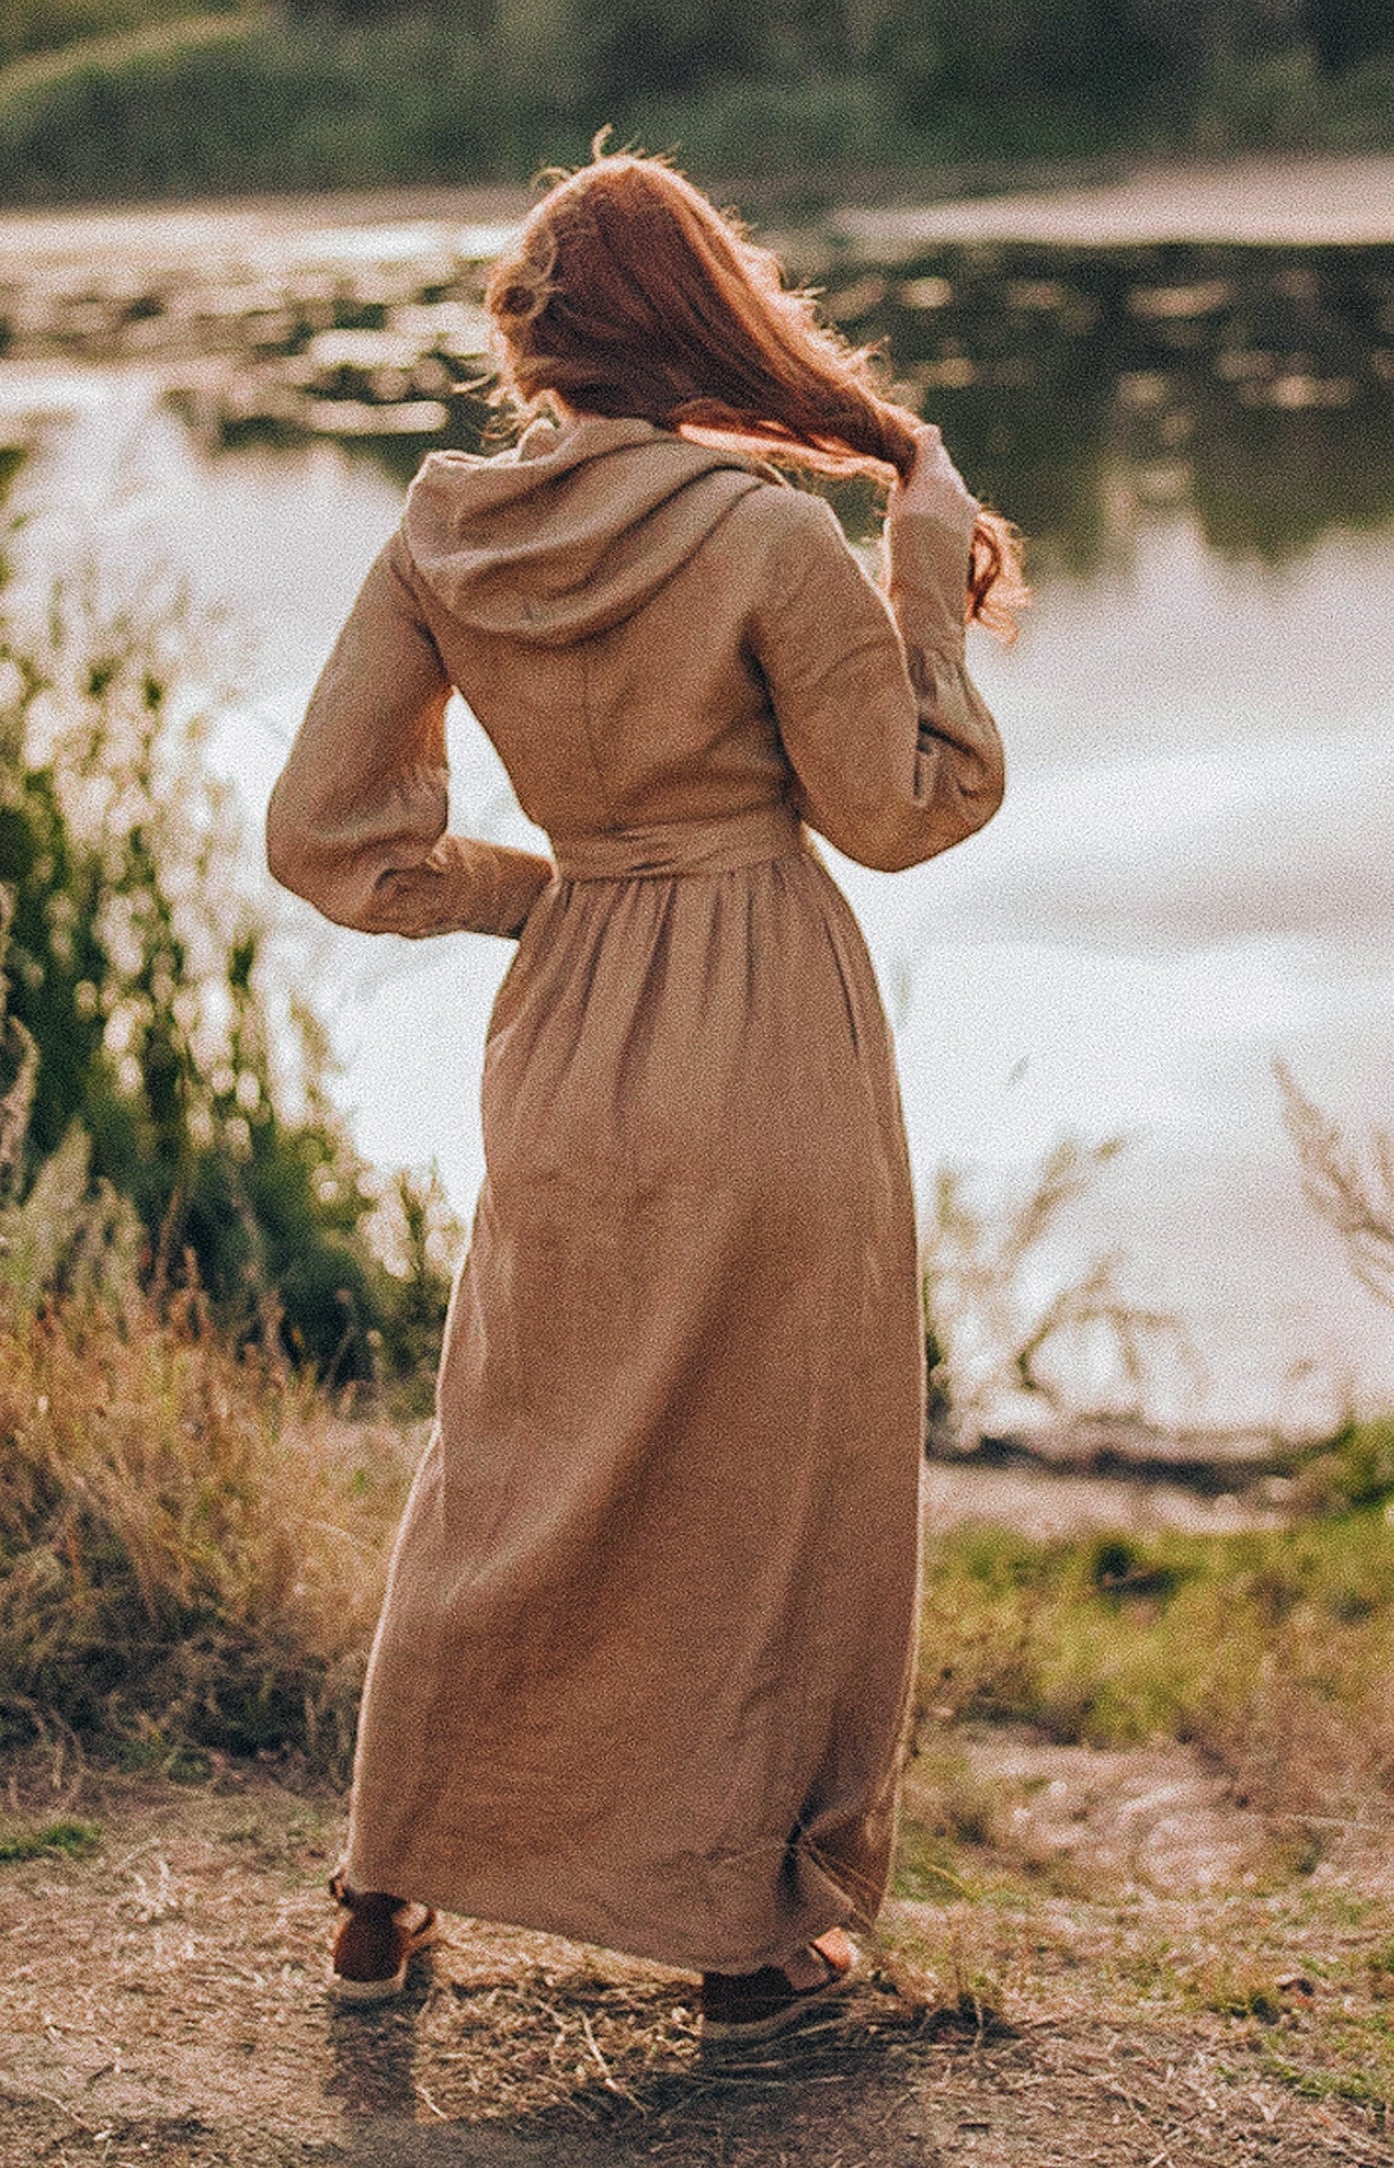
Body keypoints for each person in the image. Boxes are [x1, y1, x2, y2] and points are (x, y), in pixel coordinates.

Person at [266, 148, 1018, 2045]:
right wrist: (921, 583)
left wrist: (542, 895)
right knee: (762, 1481)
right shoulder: (763, 534)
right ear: (706, 329)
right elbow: (896, 812)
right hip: (761, 1017)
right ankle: (743, 1946)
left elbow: (323, 835)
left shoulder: (442, 531)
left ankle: (380, 1896)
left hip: (572, 1020)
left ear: (533, 349)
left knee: (515, 1456)